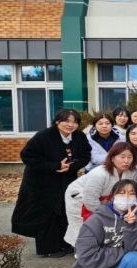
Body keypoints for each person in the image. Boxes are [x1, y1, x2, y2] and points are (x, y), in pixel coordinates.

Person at [12, 109, 91, 258]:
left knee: (63, 209)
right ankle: (47, 248)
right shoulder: (44, 136)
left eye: (74, 122)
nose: (70, 125)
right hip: (41, 180)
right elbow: (27, 155)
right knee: (47, 213)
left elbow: (86, 155)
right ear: (57, 121)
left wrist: (71, 166)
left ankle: (64, 243)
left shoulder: (79, 136)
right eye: (66, 121)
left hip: (66, 178)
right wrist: (54, 166)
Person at [64, 142, 137, 248]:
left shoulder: (133, 170)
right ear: (112, 158)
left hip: (107, 198)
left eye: (129, 157)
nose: (126, 161)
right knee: (83, 224)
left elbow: (130, 189)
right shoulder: (99, 173)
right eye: (122, 157)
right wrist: (108, 214)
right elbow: (90, 199)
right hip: (80, 196)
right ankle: (81, 249)